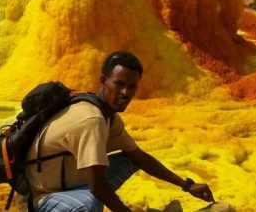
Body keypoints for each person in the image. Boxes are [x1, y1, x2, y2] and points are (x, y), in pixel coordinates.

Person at [25, 51, 215, 212]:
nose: (125, 92)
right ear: (103, 81)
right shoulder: (92, 119)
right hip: (48, 195)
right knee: (89, 205)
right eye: (119, 84)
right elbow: (98, 188)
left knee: (130, 160)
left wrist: (187, 185)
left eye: (132, 87)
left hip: (74, 181)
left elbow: (140, 157)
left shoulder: (107, 115)